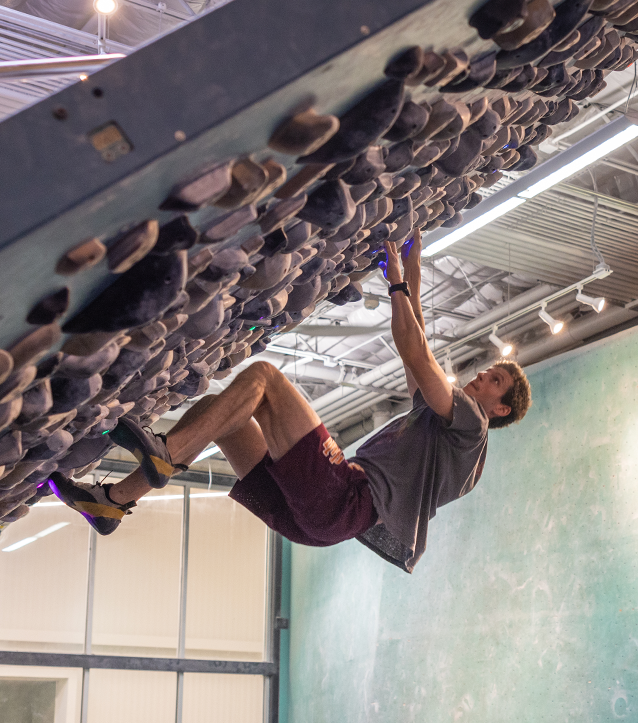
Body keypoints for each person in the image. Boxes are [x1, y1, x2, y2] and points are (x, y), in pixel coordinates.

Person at [49, 231, 531, 572]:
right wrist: (412, 269)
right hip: (321, 524)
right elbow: (418, 342)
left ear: (501, 407)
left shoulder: (472, 425)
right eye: (489, 371)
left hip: (345, 498)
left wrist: (399, 283)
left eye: (495, 379)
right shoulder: (445, 430)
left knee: (262, 379)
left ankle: (164, 454)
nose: (483, 374)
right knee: (223, 414)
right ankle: (111, 502)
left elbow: (415, 351)